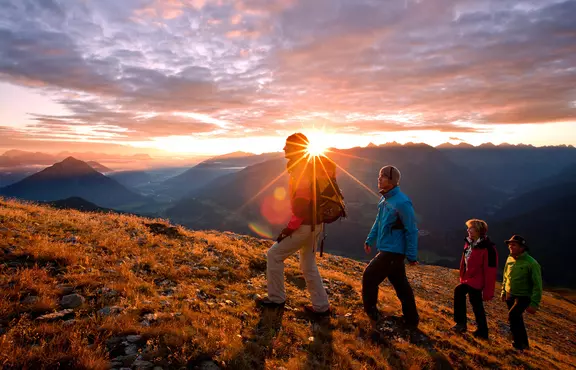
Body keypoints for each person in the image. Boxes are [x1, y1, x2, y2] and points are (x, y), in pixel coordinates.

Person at [256, 133, 330, 316]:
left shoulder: (301, 169)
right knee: (308, 265)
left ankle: (276, 299)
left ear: (296, 148)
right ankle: (321, 307)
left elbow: (302, 204)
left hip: (304, 225)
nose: (284, 149)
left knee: (274, 255)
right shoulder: (311, 166)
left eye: (287, 146)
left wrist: (290, 228)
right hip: (316, 224)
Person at [362, 165, 419, 328]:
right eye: (379, 175)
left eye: (383, 176)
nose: (379, 178)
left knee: (369, 276)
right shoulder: (385, 199)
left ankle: (371, 313)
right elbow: (378, 222)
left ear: (392, 181)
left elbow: (412, 230)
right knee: (401, 286)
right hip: (388, 249)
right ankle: (411, 319)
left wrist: (412, 256)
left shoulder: (402, 202)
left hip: (393, 252)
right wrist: (370, 239)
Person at [451, 219, 498, 339]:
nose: (468, 230)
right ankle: (468, 326)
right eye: (468, 228)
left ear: (478, 230)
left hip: (477, 281)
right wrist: (463, 276)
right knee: (465, 295)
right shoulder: (469, 243)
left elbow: (490, 270)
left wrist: (488, 292)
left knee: (475, 303)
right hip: (469, 279)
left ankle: (479, 330)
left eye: (471, 228)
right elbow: (465, 262)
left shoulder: (488, 248)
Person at [501, 235, 542, 350]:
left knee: (513, 315)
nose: (510, 247)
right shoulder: (509, 259)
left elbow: (537, 285)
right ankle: (524, 344)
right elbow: (505, 276)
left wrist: (534, 304)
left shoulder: (532, 263)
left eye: (514, 245)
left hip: (524, 296)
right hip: (510, 293)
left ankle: (517, 344)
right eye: (509, 245)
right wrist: (503, 291)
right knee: (517, 318)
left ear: (522, 247)